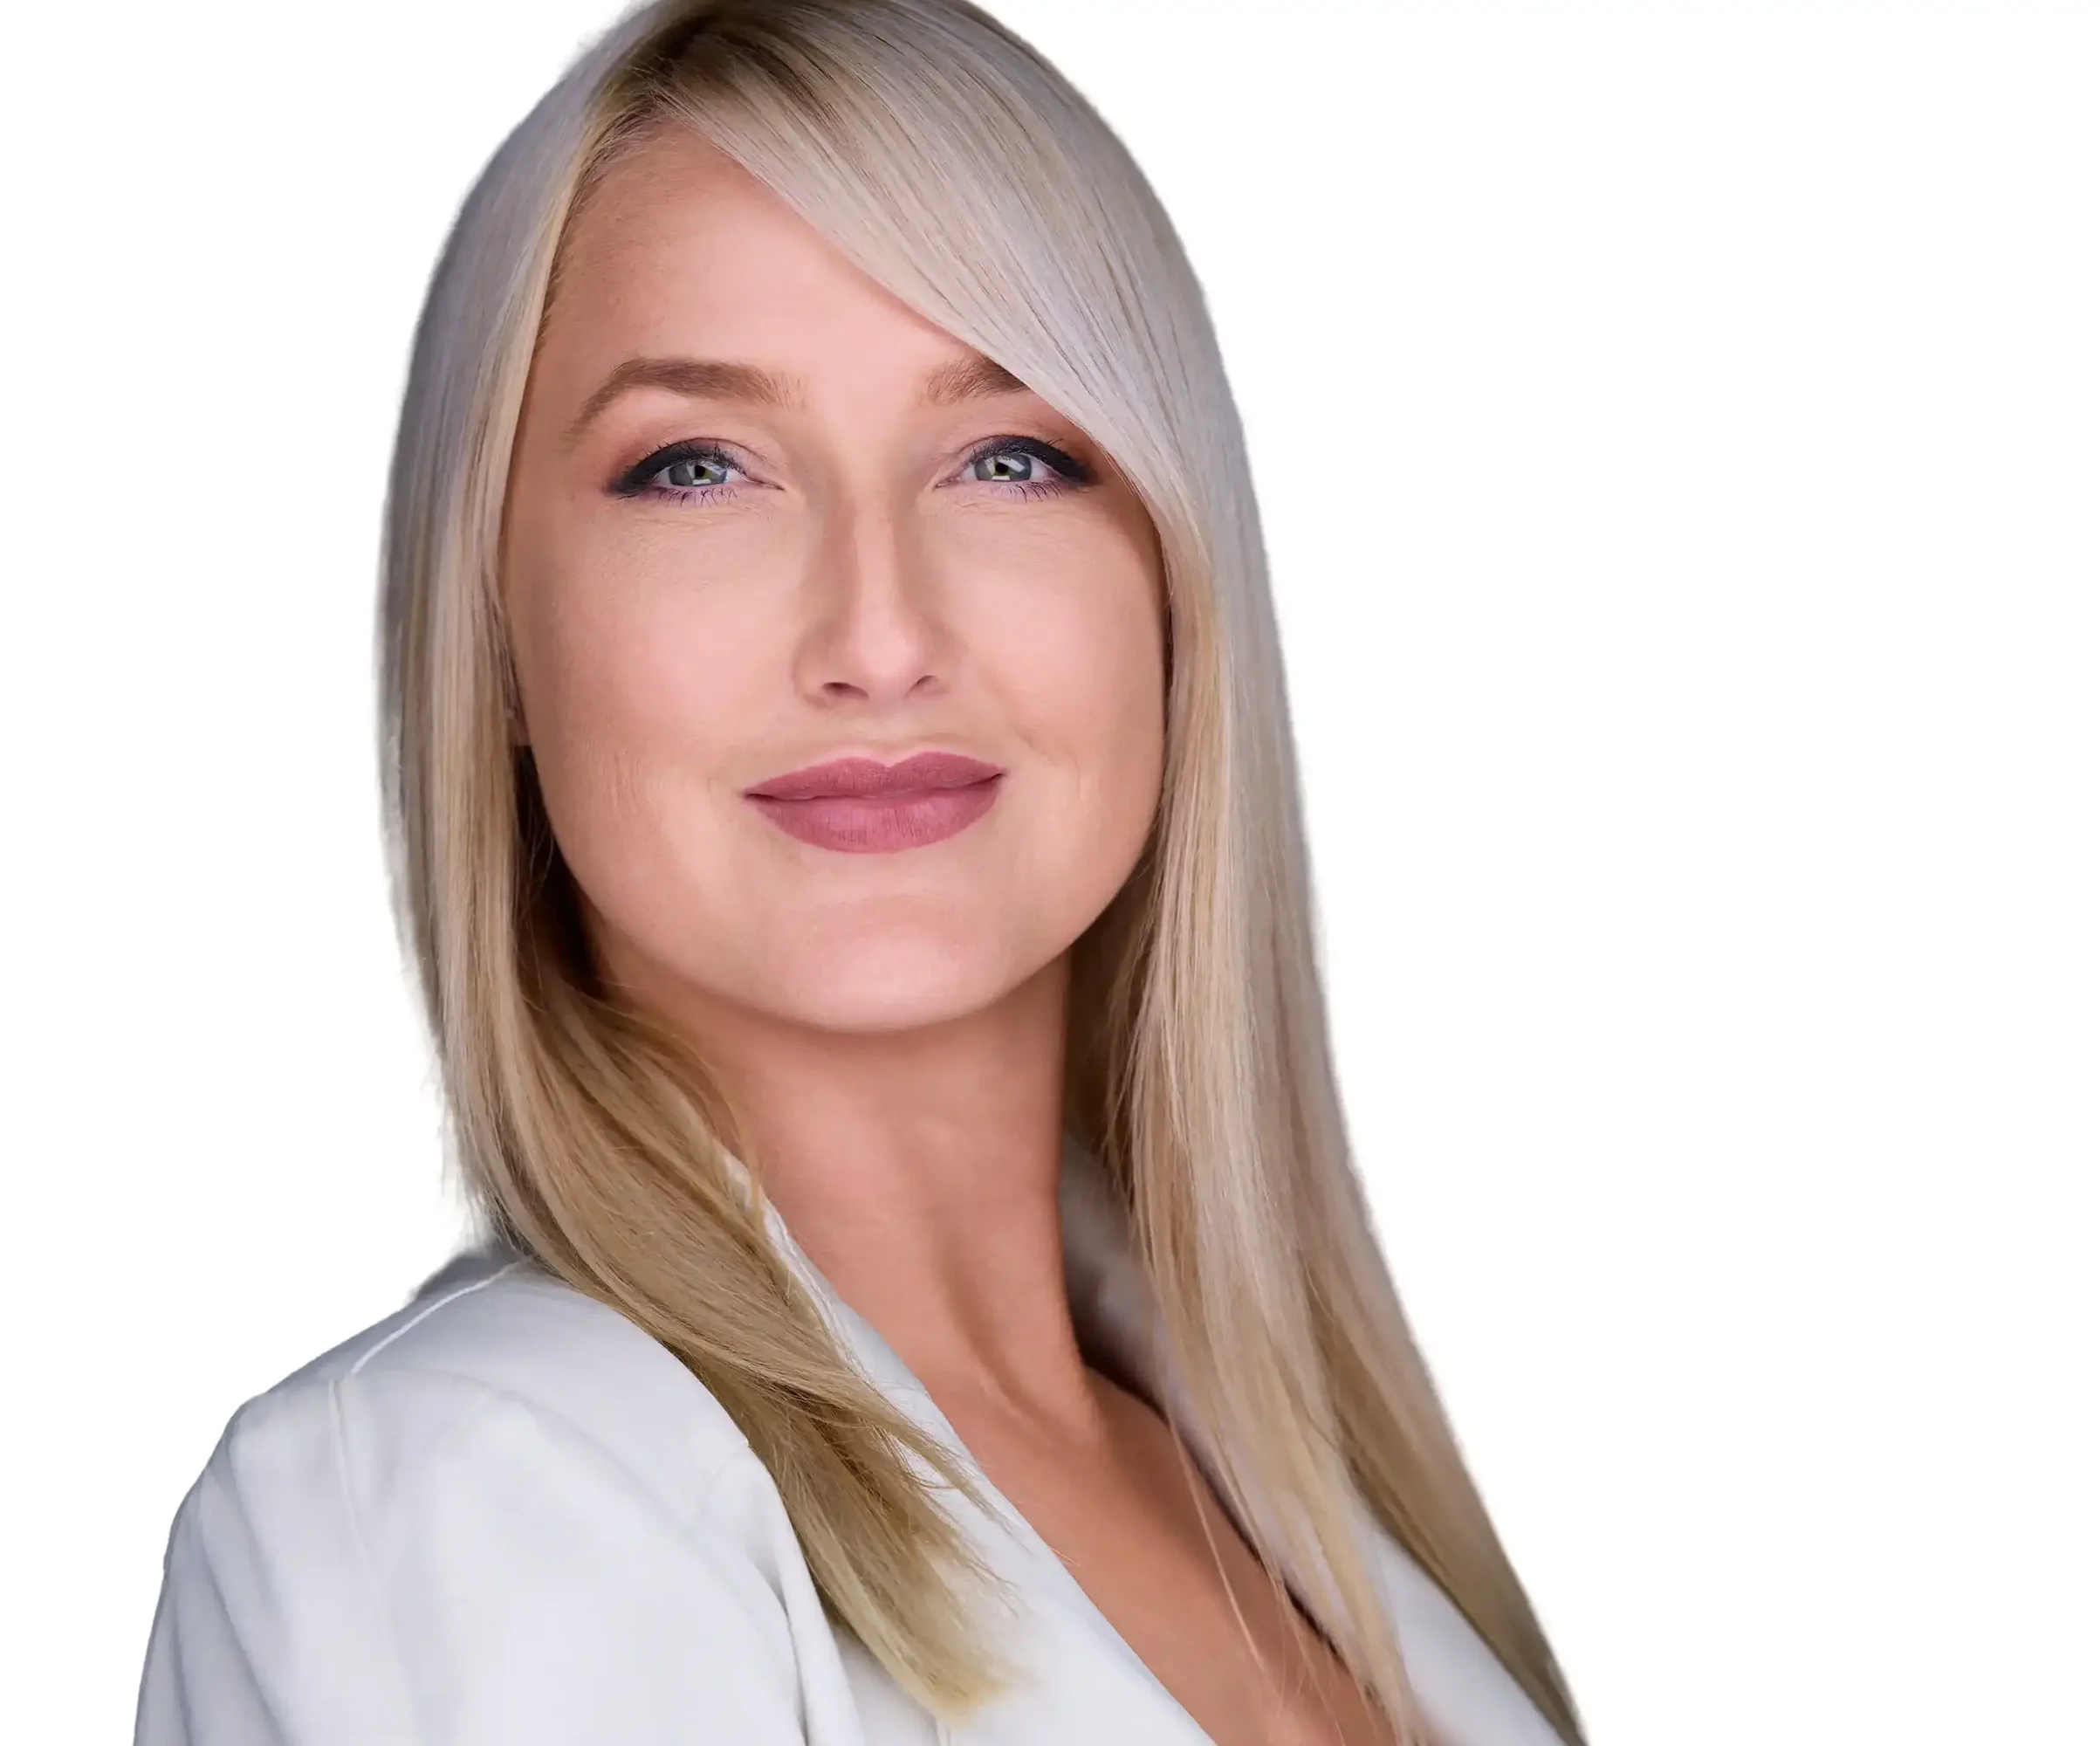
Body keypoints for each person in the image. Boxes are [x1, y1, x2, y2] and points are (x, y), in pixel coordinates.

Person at [132, 3, 1588, 1742]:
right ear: (497, 639)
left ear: (1173, 594)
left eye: (1009, 454)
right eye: (696, 467)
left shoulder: (1281, 1499)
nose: (879, 634)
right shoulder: (472, 1487)